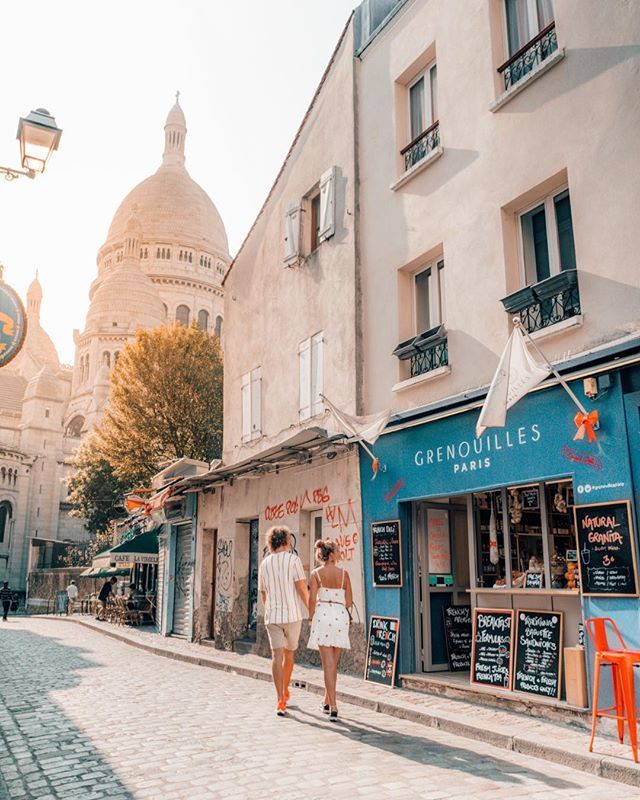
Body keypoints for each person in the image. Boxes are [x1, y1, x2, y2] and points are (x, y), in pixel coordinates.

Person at [258, 525, 309, 717]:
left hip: (273, 616)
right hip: (292, 615)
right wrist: (311, 609)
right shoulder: (293, 560)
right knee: (289, 654)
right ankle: (285, 691)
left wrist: (270, 609)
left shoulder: (264, 564)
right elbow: (301, 588)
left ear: (271, 543)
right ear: (287, 541)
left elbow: (263, 593)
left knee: (275, 656)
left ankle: (280, 700)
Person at [308, 539, 352, 721]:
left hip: (323, 614)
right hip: (340, 615)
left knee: (328, 664)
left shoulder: (316, 574)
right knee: (333, 663)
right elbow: (349, 601)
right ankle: (327, 701)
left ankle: (333, 705)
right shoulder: (344, 574)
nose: (341, 553)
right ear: (332, 554)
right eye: (339, 550)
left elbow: (311, 599)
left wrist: (310, 617)